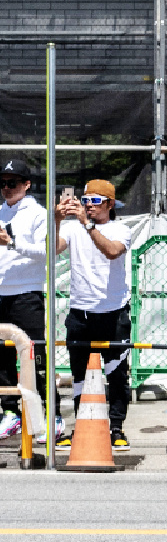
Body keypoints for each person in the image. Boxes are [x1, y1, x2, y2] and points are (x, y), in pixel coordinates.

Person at [56, 180, 133, 448]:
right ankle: (82, 426)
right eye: (85, 200)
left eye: (95, 201)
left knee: (116, 373)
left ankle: (116, 428)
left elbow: (112, 251)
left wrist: (87, 226)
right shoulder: (72, 227)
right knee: (79, 375)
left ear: (110, 204)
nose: (88, 206)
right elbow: (53, 249)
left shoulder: (120, 229)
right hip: (80, 312)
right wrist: (56, 218)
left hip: (113, 313)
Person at [0, 159, 49, 439]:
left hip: (27, 293)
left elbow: (46, 253)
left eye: (13, 183)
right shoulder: (0, 211)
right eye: (3, 183)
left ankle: (45, 413)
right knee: (1, 357)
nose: (7, 188)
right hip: (1, 292)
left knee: (34, 355)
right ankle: (10, 412)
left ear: (27, 184)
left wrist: (12, 243)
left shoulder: (37, 214)